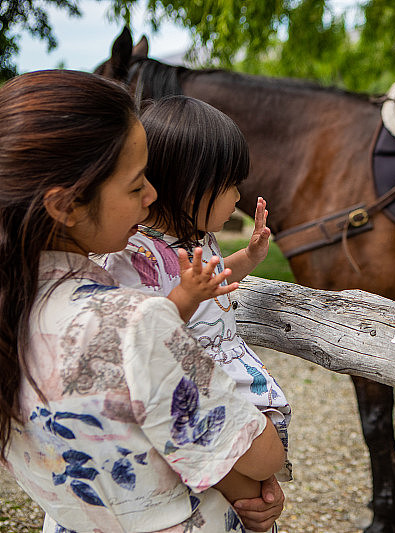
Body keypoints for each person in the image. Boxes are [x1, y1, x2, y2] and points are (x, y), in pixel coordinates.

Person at [0, 70, 285, 533]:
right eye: (136, 185)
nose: (153, 196)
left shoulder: (16, 315)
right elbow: (262, 453)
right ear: (66, 205)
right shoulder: (136, 324)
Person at [99, 96, 292, 488]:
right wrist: (185, 297)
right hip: (192, 379)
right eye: (230, 185)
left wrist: (248, 257)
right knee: (247, 472)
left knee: (258, 471)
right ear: (191, 188)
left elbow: (215, 277)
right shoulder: (138, 254)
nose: (238, 197)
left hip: (225, 367)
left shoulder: (197, 236)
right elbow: (145, 334)